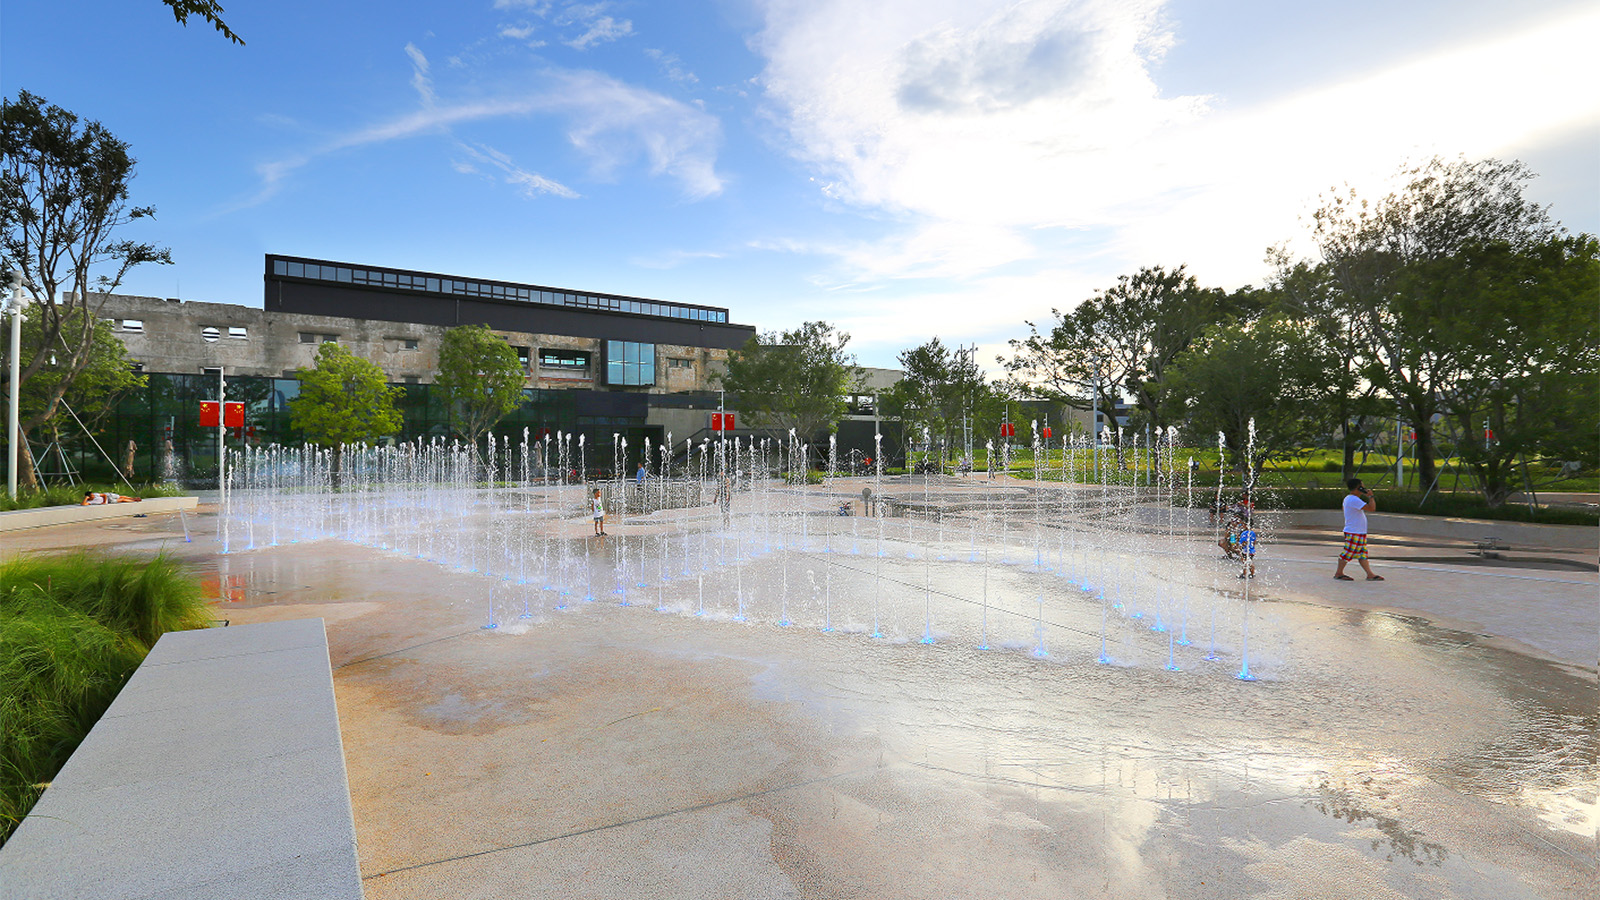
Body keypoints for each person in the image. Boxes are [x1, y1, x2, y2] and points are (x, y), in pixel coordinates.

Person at [1334, 478, 1382, 581]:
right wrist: (1371, 497)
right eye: (1362, 487)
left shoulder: (1349, 498)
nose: (1364, 488)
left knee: (1362, 554)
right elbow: (1371, 508)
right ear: (1358, 488)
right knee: (1348, 552)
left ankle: (1370, 574)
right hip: (1354, 531)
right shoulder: (1353, 499)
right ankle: (1339, 573)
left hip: (1358, 531)